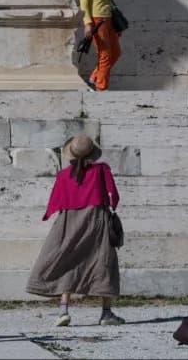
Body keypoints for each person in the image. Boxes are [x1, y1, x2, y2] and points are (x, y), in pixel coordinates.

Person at [25, 135, 124, 327]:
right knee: (103, 263)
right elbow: (114, 197)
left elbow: (54, 202)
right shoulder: (101, 170)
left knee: (68, 262)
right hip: (96, 221)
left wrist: (49, 216)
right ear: (92, 154)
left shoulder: (64, 175)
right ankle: (106, 313)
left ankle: (63, 310)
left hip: (68, 223)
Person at [77, 0, 121, 91]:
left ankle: (94, 77)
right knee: (105, 54)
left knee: (116, 53)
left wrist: (115, 25)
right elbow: (84, 3)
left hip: (108, 20)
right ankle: (101, 88)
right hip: (97, 20)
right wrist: (88, 24)